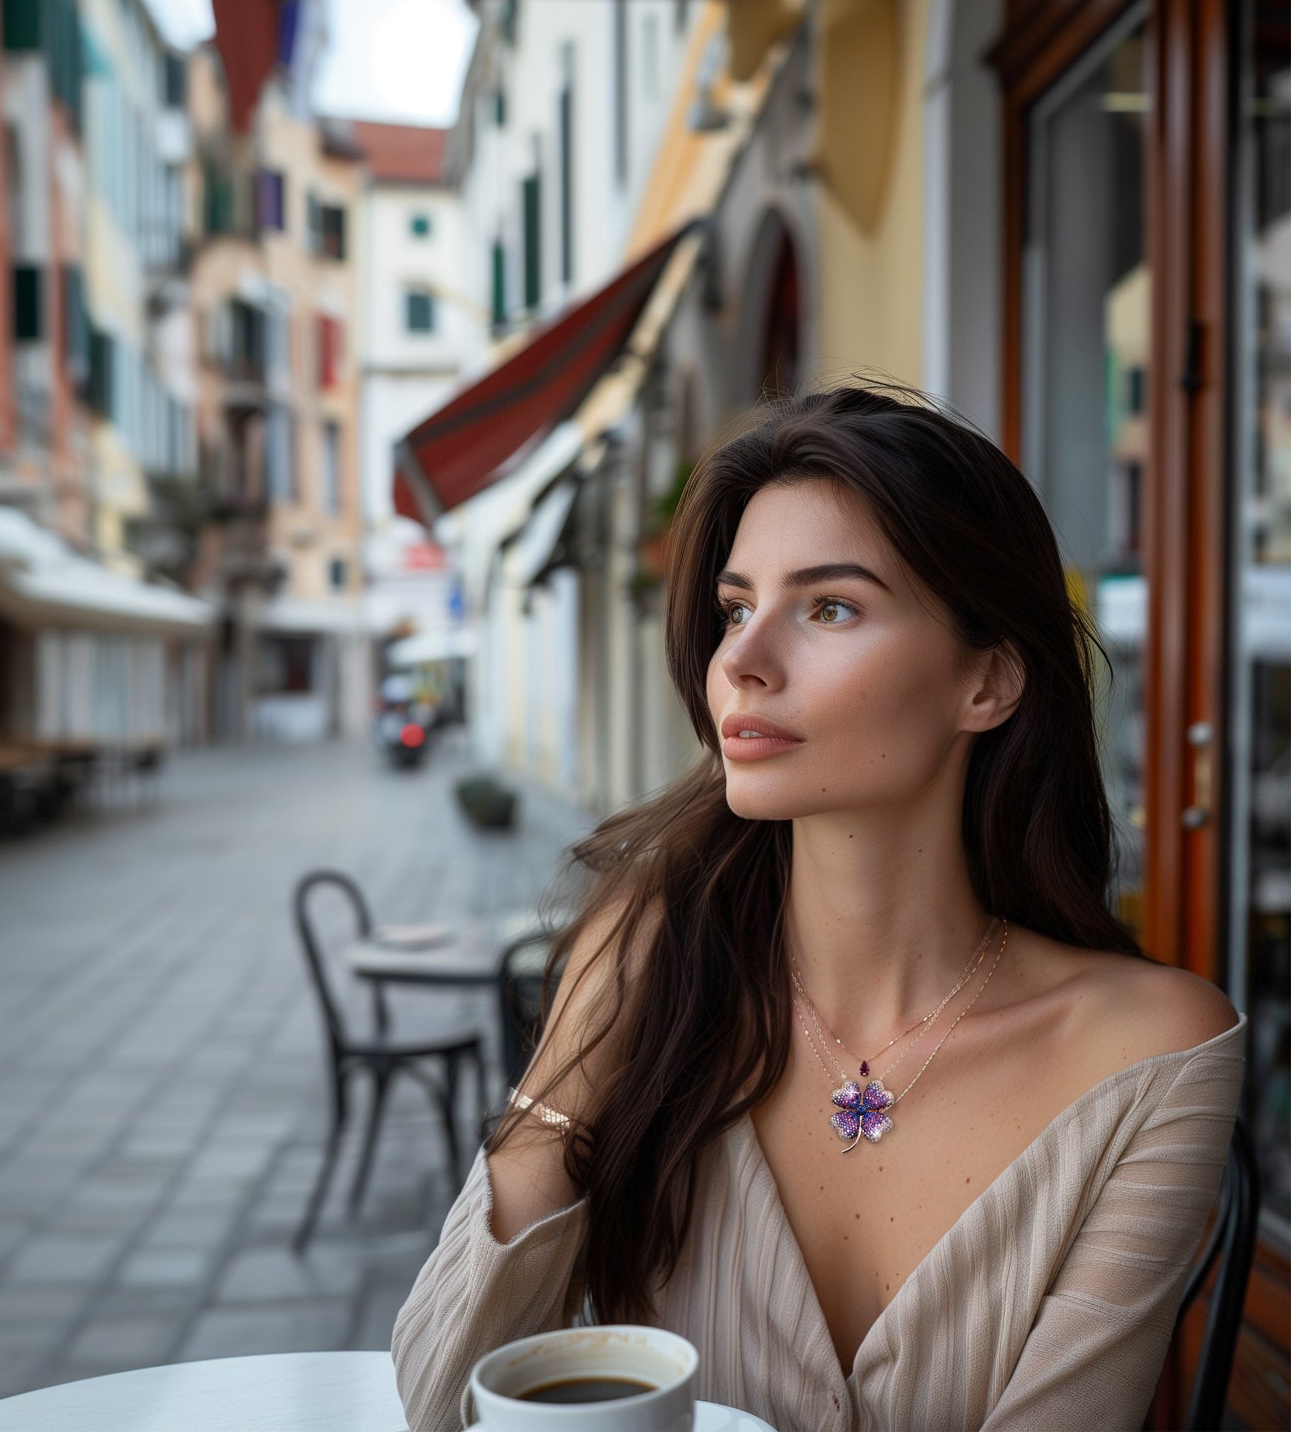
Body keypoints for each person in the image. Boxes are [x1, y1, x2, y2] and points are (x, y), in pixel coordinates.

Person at [392, 384, 1244, 1432]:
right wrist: (583, 1034)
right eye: (736, 607)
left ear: (985, 682)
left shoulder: (1143, 1053)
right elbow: (435, 1407)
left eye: (828, 606)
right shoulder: (657, 982)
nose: (741, 662)